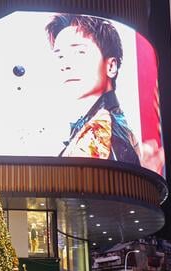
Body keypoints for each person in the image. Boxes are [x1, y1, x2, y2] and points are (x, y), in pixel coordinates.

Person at [45, 14, 141, 166]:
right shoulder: (99, 123)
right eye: (60, 56)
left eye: (79, 52)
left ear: (111, 66)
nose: (65, 65)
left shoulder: (102, 129)